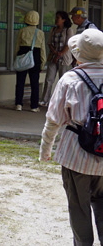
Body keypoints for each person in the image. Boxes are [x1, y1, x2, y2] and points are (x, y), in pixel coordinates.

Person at [40, 29, 103, 246]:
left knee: (78, 208)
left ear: (78, 54)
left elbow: (53, 120)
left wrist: (45, 150)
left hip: (76, 156)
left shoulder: (70, 79)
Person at [14, 10, 46, 112]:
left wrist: (16, 58)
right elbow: (43, 50)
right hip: (35, 56)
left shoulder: (22, 31)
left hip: (23, 54)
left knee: (20, 81)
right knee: (34, 83)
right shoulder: (40, 33)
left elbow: (17, 46)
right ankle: (34, 106)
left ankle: (18, 104)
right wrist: (42, 63)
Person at [40, 10, 73, 106]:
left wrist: (60, 54)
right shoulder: (53, 30)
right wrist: (55, 53)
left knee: (64, 80)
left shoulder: (68, 30)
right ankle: (44, 100)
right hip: (53, 57)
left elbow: (68, 44)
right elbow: (49, 43)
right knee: (49, 79)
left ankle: (64, 101)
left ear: (63, 20)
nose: (56, 19)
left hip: (64, 59)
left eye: (58, 18)